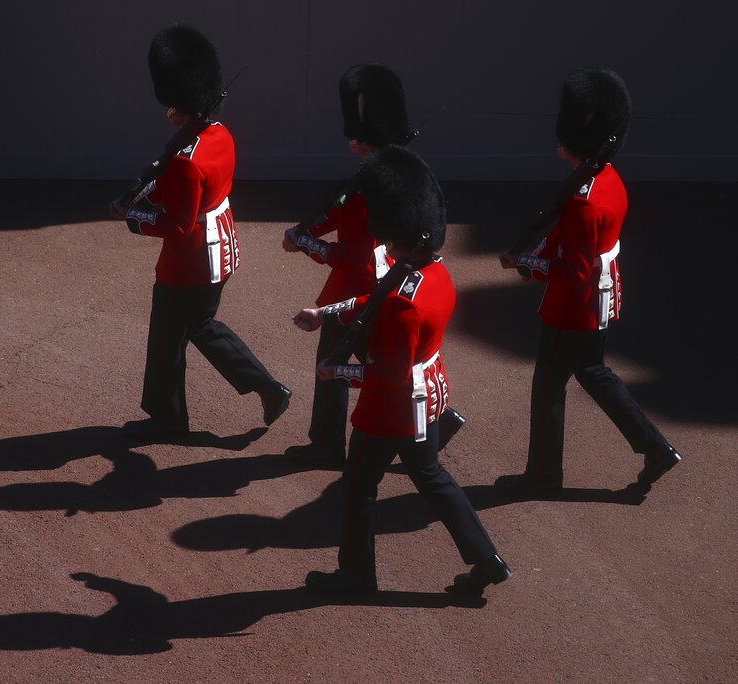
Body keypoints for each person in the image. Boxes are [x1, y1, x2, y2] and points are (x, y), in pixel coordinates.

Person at [295, 145, 511, 597]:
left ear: (411, 238)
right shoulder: (433, 274)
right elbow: (374, 300)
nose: (386, 244)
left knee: (358, 489)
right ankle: (487, 559)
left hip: (389, 411)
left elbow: (384, 374)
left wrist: (337, 375)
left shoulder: (403, 299)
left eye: (392, 238)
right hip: (427, 397)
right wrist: (325, 313)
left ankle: (356, 576)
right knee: (432, 476)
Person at [495, 67, 682, 499]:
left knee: (549, 388)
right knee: (594, 373)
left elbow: (574, 268)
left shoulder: (583, 198)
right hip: (598, 295)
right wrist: (531, 258)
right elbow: (571, 238)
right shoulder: (606, 180)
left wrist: (524, 263)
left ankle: (544, 474)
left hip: (573, 304)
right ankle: (655, 449)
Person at [110, 24, 291, 442]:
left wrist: (133, 217)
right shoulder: (218, 135)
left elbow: (177, 223)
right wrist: (147, 194)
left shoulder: (186, 159)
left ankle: (263, 389)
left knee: (186, 332)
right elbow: (176, 182)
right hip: (218, 246)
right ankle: (168, 414)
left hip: (189, 260)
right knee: (178, 332)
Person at [283, 64, 465, 465]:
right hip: (384, 272)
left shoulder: (373, 182)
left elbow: (347, 252)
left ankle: (327, 445)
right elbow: (338, 208)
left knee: (335, 358)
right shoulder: (387, 171)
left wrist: (305, 242)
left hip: (359, 280)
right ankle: (443, 419)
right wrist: (307, 227)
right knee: (375, 352)